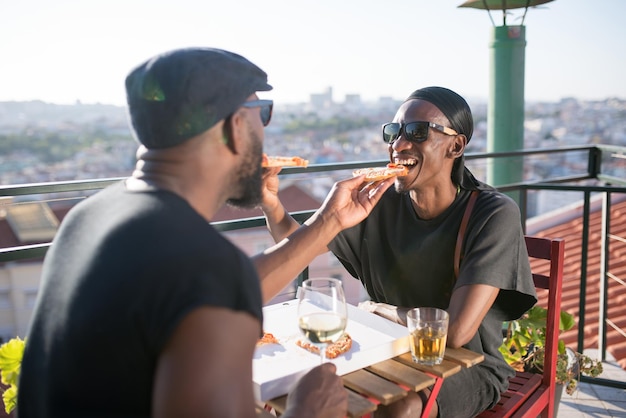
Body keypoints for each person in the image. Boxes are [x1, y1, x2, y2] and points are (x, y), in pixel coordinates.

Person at [17, 47, 395, 418]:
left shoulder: (91, 216)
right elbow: (210, 283)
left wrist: (327, 222)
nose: (264, 132)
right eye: (261, 114)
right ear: (234, 126)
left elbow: (213, 288)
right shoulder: (203, 265)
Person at [260, 86, 538, 418]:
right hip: (384, 348)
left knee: (401, 408)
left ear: (456, 145)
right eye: (393, 133)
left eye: (417, 132)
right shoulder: (378, 201)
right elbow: (300, 246)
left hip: (467, 365)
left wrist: (379, 308)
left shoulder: (492, 213)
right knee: (293, 388)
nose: (398, 145)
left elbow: (457, 333)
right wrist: (271, 203)